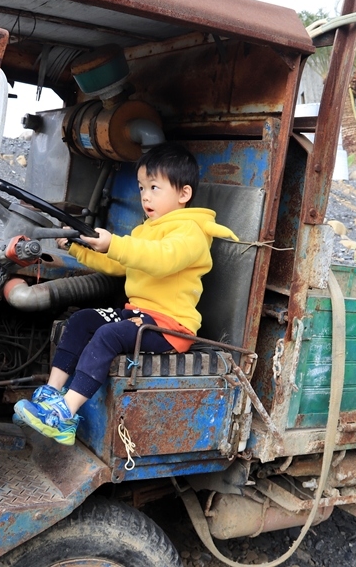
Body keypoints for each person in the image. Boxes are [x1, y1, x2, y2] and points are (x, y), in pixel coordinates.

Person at [13, 142, 238, 445]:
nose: (145, 195)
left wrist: (116, 244)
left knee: (107, 335)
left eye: (155, 187)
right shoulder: (145, 230)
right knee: (82, 321)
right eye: (142, 187)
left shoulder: (192, 233)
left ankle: (65, 416)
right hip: (139, 316)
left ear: (183, 194)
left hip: (170, 327)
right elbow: (117, 263)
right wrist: (79, 248)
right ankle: (51, 395)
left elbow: (160, 259)